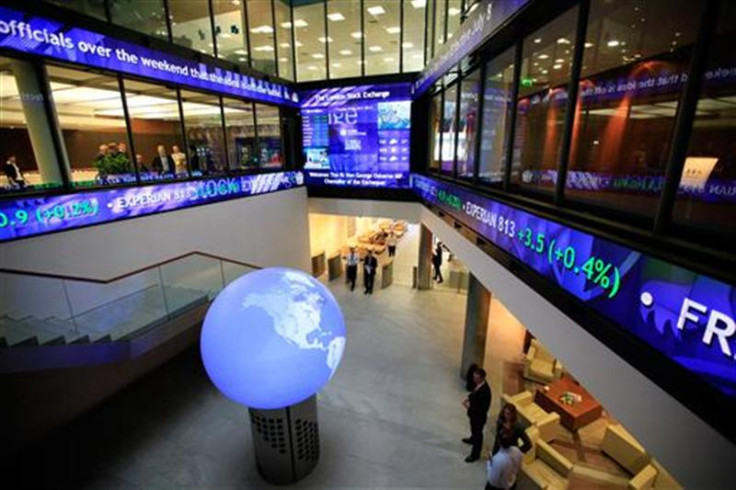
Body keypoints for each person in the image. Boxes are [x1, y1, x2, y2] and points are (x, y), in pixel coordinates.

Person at [462, 367, 491, 462]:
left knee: (478, 433)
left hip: (478, 417)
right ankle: (472, 438)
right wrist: (468, 399)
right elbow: (474, 394)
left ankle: (475, 454)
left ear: (482, 378)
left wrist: (469, 407)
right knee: (473, 429)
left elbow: (482, 409)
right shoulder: (478, 385)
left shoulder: (485, 392)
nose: (474, 380)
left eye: (476, 378)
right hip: (474, 415)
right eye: (474, 377)